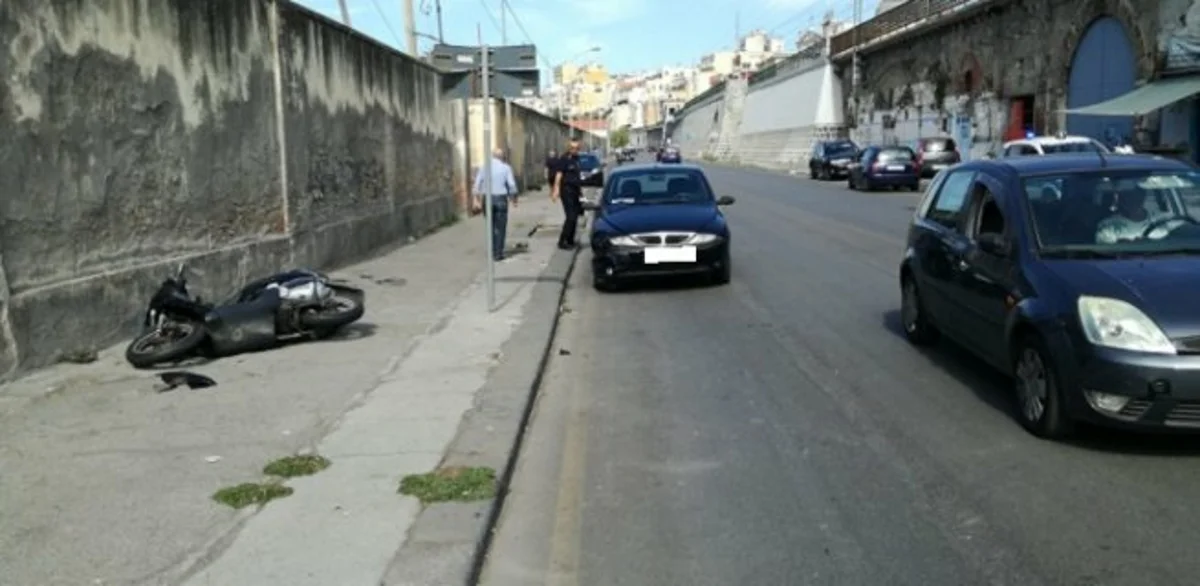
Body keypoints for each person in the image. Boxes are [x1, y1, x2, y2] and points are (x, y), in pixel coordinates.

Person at [473, 148, 518, 261]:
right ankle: (498, 253)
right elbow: (512, 185)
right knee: (500, 227)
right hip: (501, 199)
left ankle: (492, 251)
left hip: (487, 199)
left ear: (492, 156)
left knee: (490, 226)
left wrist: (476, 200)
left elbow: (477, 184)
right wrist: (514, 198)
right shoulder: (506, 168)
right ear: (502, 157)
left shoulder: (484, 167)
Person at [1095, 186, 1160, 244]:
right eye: (1129, 196)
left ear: (1143, 197)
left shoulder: (1159, 221)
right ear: (1122, 199)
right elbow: (1105, 251)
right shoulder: (1108, 226)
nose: (1134, 200)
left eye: (1137, 196)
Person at [551, 140, 583, 250]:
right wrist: (556, 190)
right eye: (573, 148)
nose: (575, 150)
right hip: (566, 191)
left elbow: (577, 176)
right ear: (568, 148)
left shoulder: (577, 159)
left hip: (575, 191)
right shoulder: (564, 159)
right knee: (570, 217)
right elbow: (559, 175)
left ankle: (570, 240)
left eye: (577, 148)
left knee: (575, 216)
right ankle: (562, 241)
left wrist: (580, 192)